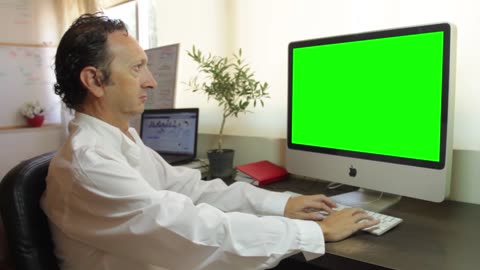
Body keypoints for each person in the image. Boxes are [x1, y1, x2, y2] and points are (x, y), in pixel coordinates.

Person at [41, 12, 378, 270]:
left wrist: (282, 205)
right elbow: (190, 231)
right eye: (137, 69)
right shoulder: (90, 164)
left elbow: (189, 190)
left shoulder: (121, 139)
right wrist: (314, 233)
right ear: (95, 80)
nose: (151, 81)